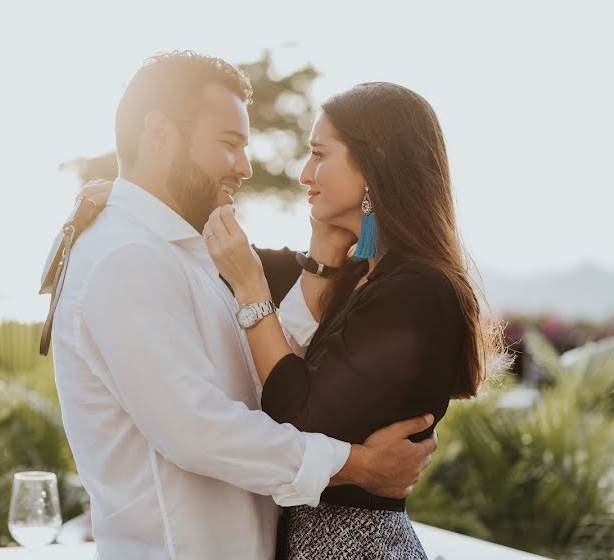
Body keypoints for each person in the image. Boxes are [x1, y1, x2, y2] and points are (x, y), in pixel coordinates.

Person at [50, 53, 438, 560]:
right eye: (229, 144)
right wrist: (360, 466)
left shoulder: (180, 252)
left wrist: (320, 262)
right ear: (160, 133)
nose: (245, 166)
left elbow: (254, 388)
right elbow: (198, 429)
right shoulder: (126, 257)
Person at [204, 82, 507, 559]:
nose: (305, 174)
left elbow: (299, 418)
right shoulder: (354, 278)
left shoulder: (418, 291)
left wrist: (251, 292)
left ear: (374, 162)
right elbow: (201, 253)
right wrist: (122, 194)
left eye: (319, 154)